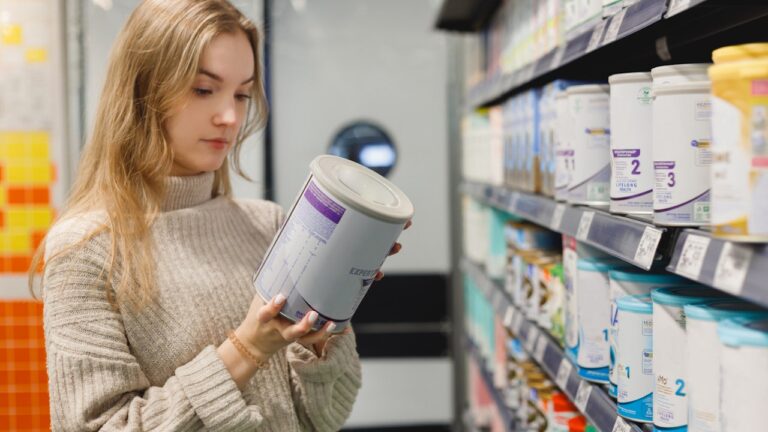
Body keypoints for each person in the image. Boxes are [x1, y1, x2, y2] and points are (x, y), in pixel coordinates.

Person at [30, 1, 408, 430]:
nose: (230, 117)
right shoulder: (86, 250)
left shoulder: (267, 224)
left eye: (243, 94)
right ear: (142, 92)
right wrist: (246, 349)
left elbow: (325, 417)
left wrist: (327, 326)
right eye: (203, 89)